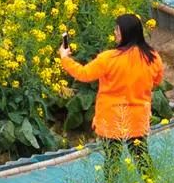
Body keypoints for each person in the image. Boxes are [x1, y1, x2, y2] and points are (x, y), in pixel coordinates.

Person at [59, 13, 164, 174]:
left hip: (111, 120)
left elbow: (83, 74)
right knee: (143, 160)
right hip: (137, 120)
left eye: (117, 30)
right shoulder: (153, 57)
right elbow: (156, 81)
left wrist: (65, 58)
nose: (115, 33)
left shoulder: (108, 58)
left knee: (112, 162)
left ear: (125, 33)